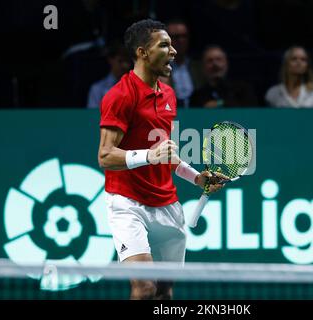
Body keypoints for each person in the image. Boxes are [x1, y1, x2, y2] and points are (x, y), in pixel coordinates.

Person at [98, 19, 224, 300]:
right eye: (164, 45)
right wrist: (148, 156)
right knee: (144, 288)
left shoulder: (167, 94)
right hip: (127, 203)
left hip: (167, 204)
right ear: (142, 52)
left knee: (165, 292)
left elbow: (165, 155)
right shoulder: (119, 96)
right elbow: (106, 155)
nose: (174, 51)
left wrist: (197, 177)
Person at [190, 45, 257, 108]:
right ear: (203, 67)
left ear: (226, 63)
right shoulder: (197, 96)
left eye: (219, 59)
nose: (215, 64)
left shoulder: (243, 89)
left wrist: (219, 103)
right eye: (210, 61)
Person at [163, 19, 204, 108]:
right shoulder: (157, 68)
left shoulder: (200, 67)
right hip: (172, 117)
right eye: (176, 37)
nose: (181, 40)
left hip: (198, 115)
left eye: (184, 36)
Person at [87, 43, 131, 109]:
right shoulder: (97, 88)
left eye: (127, 61)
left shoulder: (135, 87)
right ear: (110, 60)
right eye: (120, 61)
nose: (125, 65)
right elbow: (92, 115)